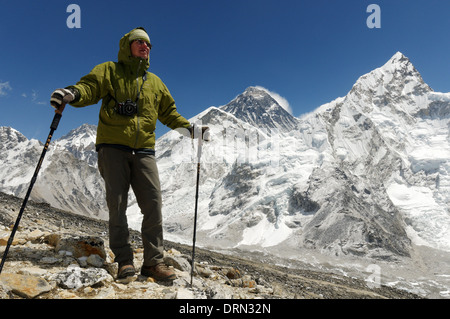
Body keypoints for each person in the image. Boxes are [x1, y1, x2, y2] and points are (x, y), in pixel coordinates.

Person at [50, 27, 206, 281]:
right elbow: (89, 88)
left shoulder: (155, 82)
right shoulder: (109, 71)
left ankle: (153, 262)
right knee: (118, 204)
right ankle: (124, 261)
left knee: (153, 203)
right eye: (140, 42)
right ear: (127, 46)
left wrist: (190, 130)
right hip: (113, 147)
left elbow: (168, 113)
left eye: (149, 45)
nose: (145, 47)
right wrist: (72, 94)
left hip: (144, 149)